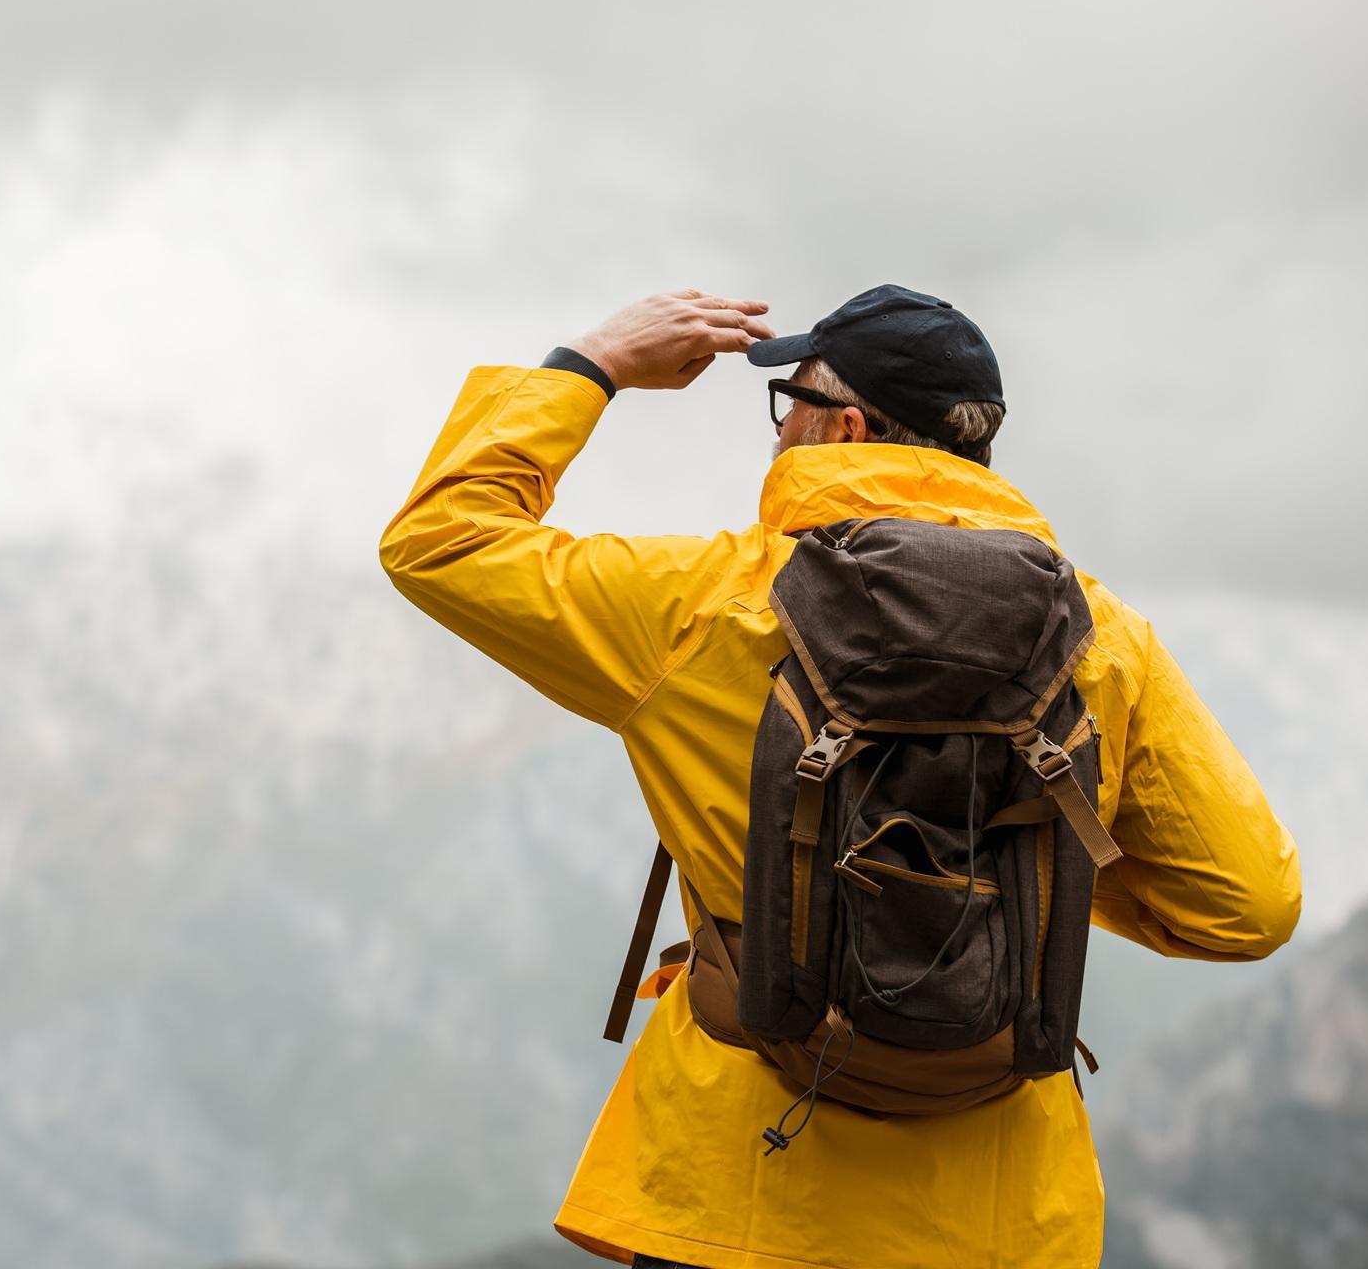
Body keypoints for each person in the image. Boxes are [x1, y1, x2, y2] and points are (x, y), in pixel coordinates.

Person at [378, 286, 1302, 1269]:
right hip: (993, 1222)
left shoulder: (703, 607)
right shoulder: (1101, 638)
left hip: (740, 1199)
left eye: (791, 402)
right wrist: (1034, 861)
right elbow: (1249, 905)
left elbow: (442, 540)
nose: (780, 432)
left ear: (843, 425)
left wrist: (595, 362)